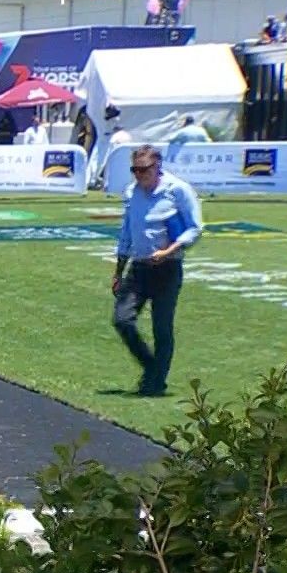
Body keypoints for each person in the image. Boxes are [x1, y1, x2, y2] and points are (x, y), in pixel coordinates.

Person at [112, 146, 200, 397]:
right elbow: (127, 232)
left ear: (157, 166)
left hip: (167, 268)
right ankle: (152, 367)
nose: (139, 175)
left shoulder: (177, 190)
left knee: (162, 328)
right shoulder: (132, 193)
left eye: (144, 170)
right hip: (139, 267)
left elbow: (194, 228)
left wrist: (169, 250)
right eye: (135, 170)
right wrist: (119, 270)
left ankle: (156, 381)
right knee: (122, 319)